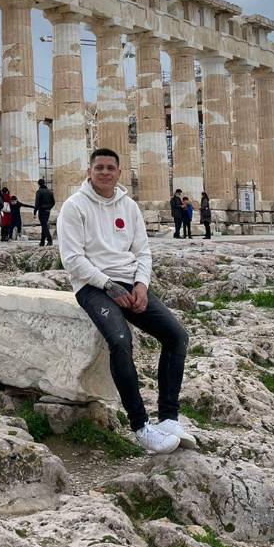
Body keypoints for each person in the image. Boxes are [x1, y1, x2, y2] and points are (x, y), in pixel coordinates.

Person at [57, 148, 192, 455]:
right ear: (89, 171)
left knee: (176, 336)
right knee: (121, 340)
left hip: (130, 284)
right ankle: (141, 426)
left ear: (119, 172)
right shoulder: (74, 207)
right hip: (93, 285)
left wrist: (142, 285)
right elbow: (73, 259)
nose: (105, 173)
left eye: (110, 168)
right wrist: (108, 285)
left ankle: (169, 418)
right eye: (99, 168)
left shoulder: (128, 206)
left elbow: (142, 251)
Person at [33, 178, 56, 246]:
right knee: (44, 225)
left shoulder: (39, 192)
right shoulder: (49, 191)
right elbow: (53, 202)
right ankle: (42, 242)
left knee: (44, 225)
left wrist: (35, 212)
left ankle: (49, 240)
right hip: (47, 211)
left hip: (42, 211)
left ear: (38, 184)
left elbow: (37, 203)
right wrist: (49, 208)